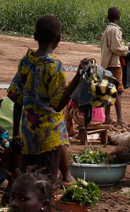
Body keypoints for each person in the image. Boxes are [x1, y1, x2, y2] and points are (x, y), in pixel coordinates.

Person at [7, 14, 86, 183]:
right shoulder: (54, 66)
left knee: (27, 177)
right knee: (46, 180)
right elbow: (58, 105)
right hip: (48, 135)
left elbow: (17, 97)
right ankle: (43, 207)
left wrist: (16, 133)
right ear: (59, 38)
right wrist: (78, 77)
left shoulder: (26, 61)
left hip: (28, 132)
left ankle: (64, 179)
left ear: (35, 36)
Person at [100, 6, 130, 126]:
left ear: (108, 17)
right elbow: (116, 47)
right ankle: (119, 119)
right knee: (118, 90)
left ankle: (108, 117)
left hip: (107, 63)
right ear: (119, 18)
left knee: (110, 90)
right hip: (114, 64)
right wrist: (127, 49)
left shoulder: (107, 29)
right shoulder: (115, 30)